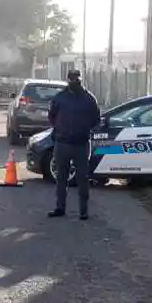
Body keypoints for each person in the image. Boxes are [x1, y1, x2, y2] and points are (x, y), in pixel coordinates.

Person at [47, 69, 101, 220]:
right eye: (71, 79)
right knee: (61, 178)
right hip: (62, 143)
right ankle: (60, 207)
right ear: (68, 80)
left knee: (83, 178)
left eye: (76, 79)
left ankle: (83, 211)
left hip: (81, 145)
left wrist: (85, 129)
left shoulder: (89, 99)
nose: (74, 81)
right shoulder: (60, 98)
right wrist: (60, 129)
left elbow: (96, 119)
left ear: (80, 80)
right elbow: (51, 117)